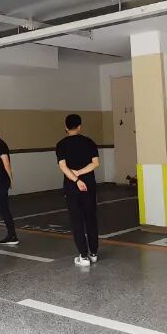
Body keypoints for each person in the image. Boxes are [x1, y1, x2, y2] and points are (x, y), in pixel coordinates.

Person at [55, 114, 101, 267]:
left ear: (66, 127)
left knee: (77, 220)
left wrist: (76, 179)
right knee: (91, 218)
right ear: (80, 126)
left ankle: (83, 256)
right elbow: (96, 163)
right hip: (89, 185)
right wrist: (81, 174)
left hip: (72, 186)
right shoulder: (89, 142)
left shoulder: (61, 144)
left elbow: (63, 167)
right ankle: (93, 253)